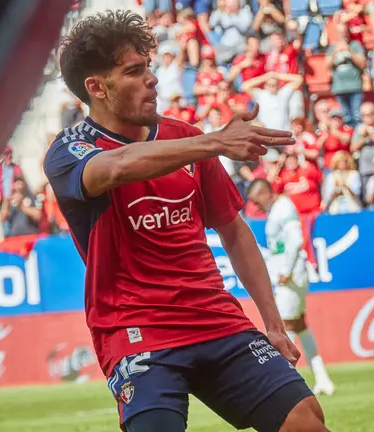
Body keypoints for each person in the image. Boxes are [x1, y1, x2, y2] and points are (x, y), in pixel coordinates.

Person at [48, 11, 327, 432]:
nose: (153, 79)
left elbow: (233, 230)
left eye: (150, 67)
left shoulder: (186, 138)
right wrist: (214, 140)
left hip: (215, 317)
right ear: (96, 87)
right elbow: (116, 167)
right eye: (135, 71)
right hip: (136, 330)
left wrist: (272, 321)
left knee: (304, 419)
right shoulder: (69, 151)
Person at [247, 179, 335, 396]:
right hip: (288, 274)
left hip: (292, 275)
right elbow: (280, 247)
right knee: (299, 325)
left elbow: (296, 240)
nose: (254, 204)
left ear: (265, 193)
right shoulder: (276, 211)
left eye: (255, 198)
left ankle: (282, 382)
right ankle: (322, 379)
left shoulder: (284, 208)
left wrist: (286, 269)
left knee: (284, 326)